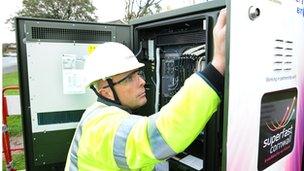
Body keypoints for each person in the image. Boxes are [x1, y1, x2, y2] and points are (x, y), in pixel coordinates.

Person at [65, 8, 227, 171]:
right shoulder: (104, 128)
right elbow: (160, 135)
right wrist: (217, 65)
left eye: (138, 73)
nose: (142, 81)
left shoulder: (96, 113)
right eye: (128, 78)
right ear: (105, 91)